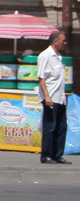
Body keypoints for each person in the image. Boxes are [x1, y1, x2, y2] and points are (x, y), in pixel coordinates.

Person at [38, 30, 71, 165]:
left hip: (60, 97)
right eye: (63, 40)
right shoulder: (45, 56)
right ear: (55, 41)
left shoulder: (59, 56)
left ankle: (58, 154)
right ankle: (46, 155)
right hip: (50, 97)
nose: (65, 43)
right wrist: (47, 96)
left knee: (61, 126)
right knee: (50, 127)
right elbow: (41, 78)